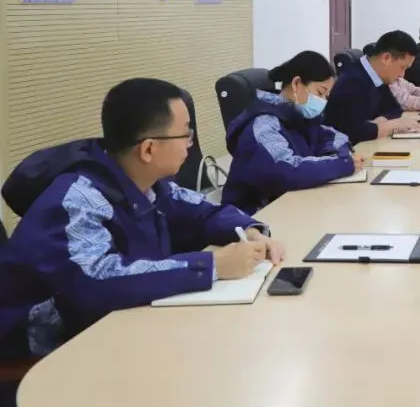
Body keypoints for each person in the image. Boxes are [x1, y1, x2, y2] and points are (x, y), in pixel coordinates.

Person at [0, 79, 284, 358]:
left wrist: (248, 229)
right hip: (44, 348)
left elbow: (204, 211)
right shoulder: (79, 199)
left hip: (116, 326)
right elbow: (97, 280)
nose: (190, 145)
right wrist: (212, 266)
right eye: (186, 135)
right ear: (148, 149)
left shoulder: (150, 184)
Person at [222, 51, 364, 214]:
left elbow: (334, 136)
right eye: (320, 93)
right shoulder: (263, 125)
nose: (323, 101)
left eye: (326, 96)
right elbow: (285, 171)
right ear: (297, 83)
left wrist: (333, 155)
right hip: (255, 216)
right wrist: (341, 164)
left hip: (293, 204)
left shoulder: (298, 115)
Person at [324, 31, 420, 144]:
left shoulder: (375, 76)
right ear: (386, 58)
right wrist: (394, 125)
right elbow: (354, 132)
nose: (402, 75)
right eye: (402, 67)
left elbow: (395, 109)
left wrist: (378, 123)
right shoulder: (353, 81)